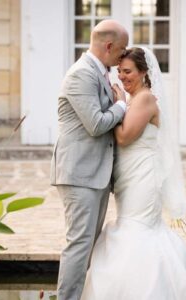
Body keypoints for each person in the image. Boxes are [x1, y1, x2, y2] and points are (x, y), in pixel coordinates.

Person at [81, 47, 186, 299]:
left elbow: (123, 137)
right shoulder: (132, 100)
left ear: (143, 72)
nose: (122, 76)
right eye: (119, 71)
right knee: (131, 227)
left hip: (143, 177)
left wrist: (116, 106)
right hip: (128, 177)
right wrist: (120, 105)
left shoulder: (144, 99)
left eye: (128, 71)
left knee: (138, 230)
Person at [50, 19, 128, 300]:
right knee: (79, 244)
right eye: (121, 49)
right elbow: (95, 124)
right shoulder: (81, 74)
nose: (123, 56)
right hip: (79, 173)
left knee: (90, 244)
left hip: (95, 173)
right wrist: (122, 105)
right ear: (108, 46)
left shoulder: (101, 72)